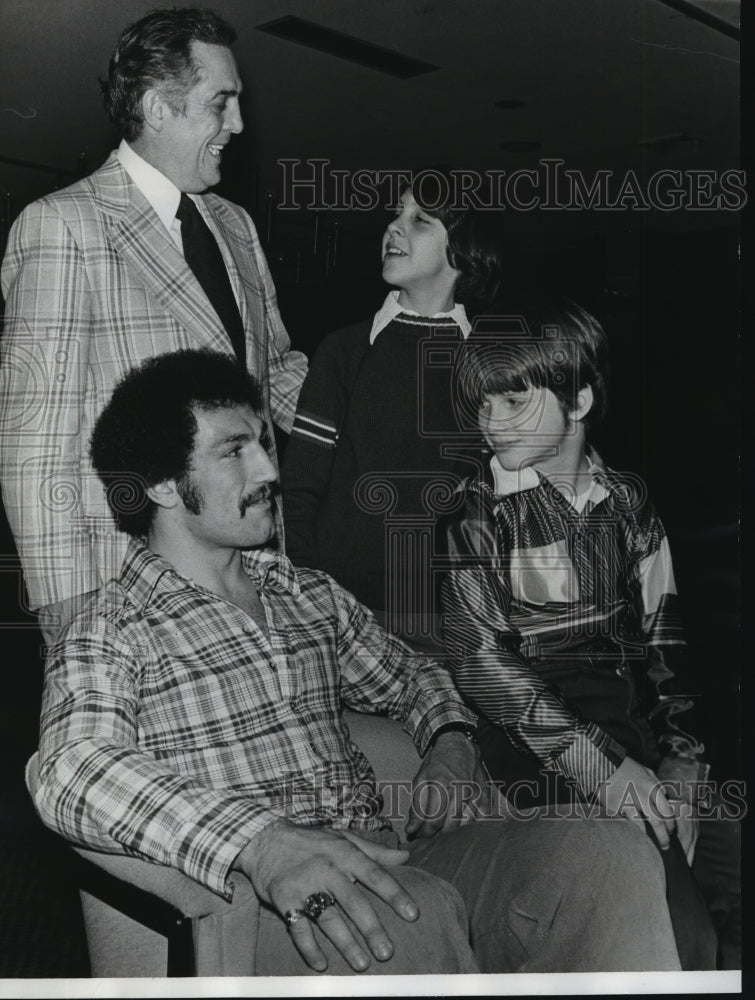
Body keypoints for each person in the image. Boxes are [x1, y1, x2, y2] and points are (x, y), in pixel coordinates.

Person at [33, 348, 682, 976]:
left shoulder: (306, 595)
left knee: (606, 851)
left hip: (397, 858)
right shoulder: (110, 627)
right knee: (408, 919)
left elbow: (417, 677)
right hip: (258, 907)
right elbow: (69, 769)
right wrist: (260, 843)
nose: (268, 470)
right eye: (234, 452)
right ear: (162, 485)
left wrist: (450, 742)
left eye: (265, 443)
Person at [441, 298, 740, 968]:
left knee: (730, 880)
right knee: (677, 930)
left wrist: (684, 760)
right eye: (481, 404)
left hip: (634, 737)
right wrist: (602, 770)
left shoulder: (630, 505)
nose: (490, 423)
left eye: (513, 401)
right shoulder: (475, 517)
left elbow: (665, 646)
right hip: (534, 750)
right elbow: (483, 666)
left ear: (576, 402)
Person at [0, 8, 307, 644]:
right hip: (125, 583)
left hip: (247, 571)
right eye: (221, 102)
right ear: (156, 107)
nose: (239, 124)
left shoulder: (238, 228)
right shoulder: (64, 225)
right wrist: (67, 603)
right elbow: (32, 442)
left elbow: (275, 375)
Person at [280, 173, 501, 651]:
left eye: (419, 220)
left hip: (450, 619)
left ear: (462, 252)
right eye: (395, 215)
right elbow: (299, 487)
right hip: (342, 613)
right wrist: (308, 596)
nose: (394, 228)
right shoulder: (343, 351)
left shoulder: (490, 362)